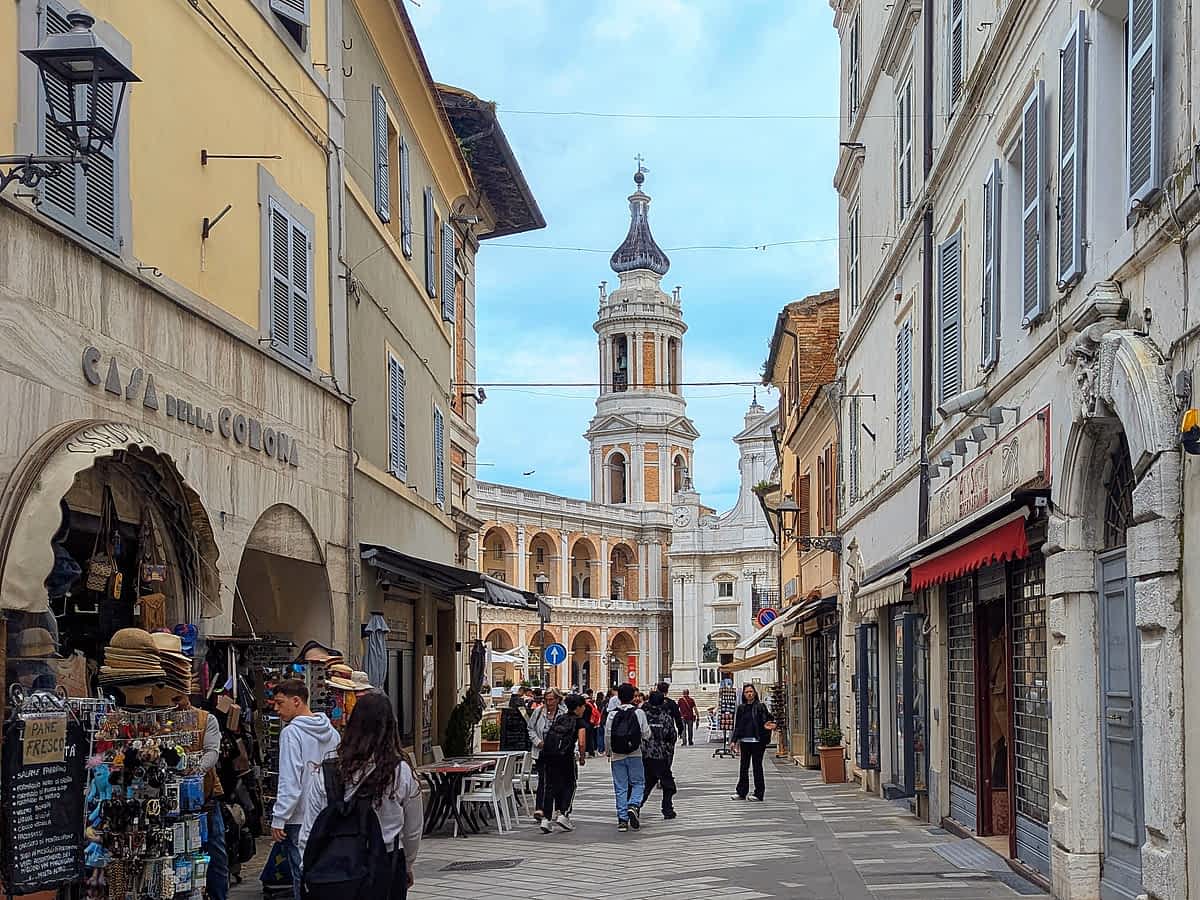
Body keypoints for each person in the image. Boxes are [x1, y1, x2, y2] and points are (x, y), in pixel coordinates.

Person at [300, 692, 421, 899]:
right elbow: (413, 829)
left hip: (333, 866)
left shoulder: (327, 771)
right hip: (387, 861)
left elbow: (310, 828)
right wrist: (408, 864)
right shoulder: (399, 771)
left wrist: (307, 867)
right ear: (391, 727)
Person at [270, 679, 341, 900]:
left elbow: (290, 779)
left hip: (299, 815)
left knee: (302, 872)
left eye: (280, 703)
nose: (276, 709)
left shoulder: (292, 733)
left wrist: (279, 817)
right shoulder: (332, 733)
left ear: (297, 701)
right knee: (326, 872)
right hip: (328, 811)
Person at [174, 692, 227, 900]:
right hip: (173, 804)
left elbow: (212, 752)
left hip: (205, 798)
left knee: (215, 856)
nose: (175, 704)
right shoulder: (160, 720)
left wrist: (193, 771)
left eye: (177, 698)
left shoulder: (206, 719)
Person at [533, 693, 588, 833]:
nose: (584, 709)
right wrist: (582, 757)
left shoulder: (559, 718)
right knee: (570, 784)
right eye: (583, 707)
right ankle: (563, 813)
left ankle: (546, 819)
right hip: (566, 757)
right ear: (579, 707)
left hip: (549, 756)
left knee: (550, 786)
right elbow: (581, 742)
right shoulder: (579, 721)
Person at [604, 682, 651, 832]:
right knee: (638, 783)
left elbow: (607, 734)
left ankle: (622, 820)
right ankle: (634, 804)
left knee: (620, 786)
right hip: (635, 753)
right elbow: (646, 733)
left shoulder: (612, 714)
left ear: (619, 697)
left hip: (617, 755)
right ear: (632, 697)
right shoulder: (639, 713)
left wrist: (608, 751)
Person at [730, 683, 776, 802]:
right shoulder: (741, 708)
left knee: (757, 767)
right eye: (747, 692)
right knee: (743, 767)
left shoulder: (760, 706)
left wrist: (768, 726)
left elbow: (769, 719)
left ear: (754, 693)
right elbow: (738, 726)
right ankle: (741, 792)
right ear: (744, 694)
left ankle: (758, 793)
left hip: (757, 742)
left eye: (751, 691)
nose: (749, 694)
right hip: (745, 741)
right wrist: (734, 741)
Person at [527, 688, 566, 822]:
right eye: (547, 699)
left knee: (558, 781)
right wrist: (537, 742)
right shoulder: (538, 712)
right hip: (542, 751)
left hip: (557, 753)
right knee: (543, 780)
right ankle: (540, 808)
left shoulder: (563, 713)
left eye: (551, 699)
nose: (549, 702)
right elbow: (530, 728)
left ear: (558, 699)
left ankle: (559, 809)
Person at [641, 691, 679, 820]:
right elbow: (672, 737)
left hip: (644, 755)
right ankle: (667, 809)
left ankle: (635, 806)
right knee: (668, 785)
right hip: (660, 756)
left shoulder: (643, 715)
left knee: (646, 784)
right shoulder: (665, 717)